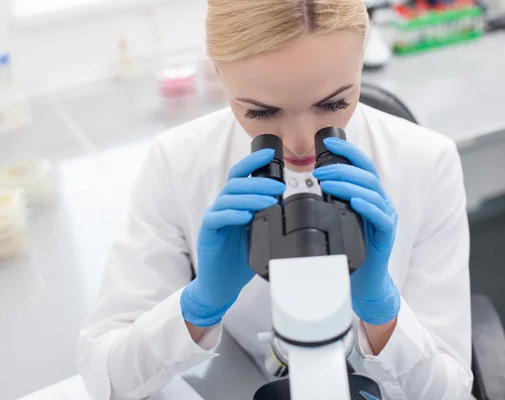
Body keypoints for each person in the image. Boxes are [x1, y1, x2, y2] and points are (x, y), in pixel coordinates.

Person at [76, 0, 473, 398]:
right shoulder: (178, 163)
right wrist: (198, 307)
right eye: (262, 113)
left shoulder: (426, 161)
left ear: (361, 60)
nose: (299, 142)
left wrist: (383, 312)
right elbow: (105, 377)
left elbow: (452, 391)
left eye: (333, 104)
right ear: (219, 73)